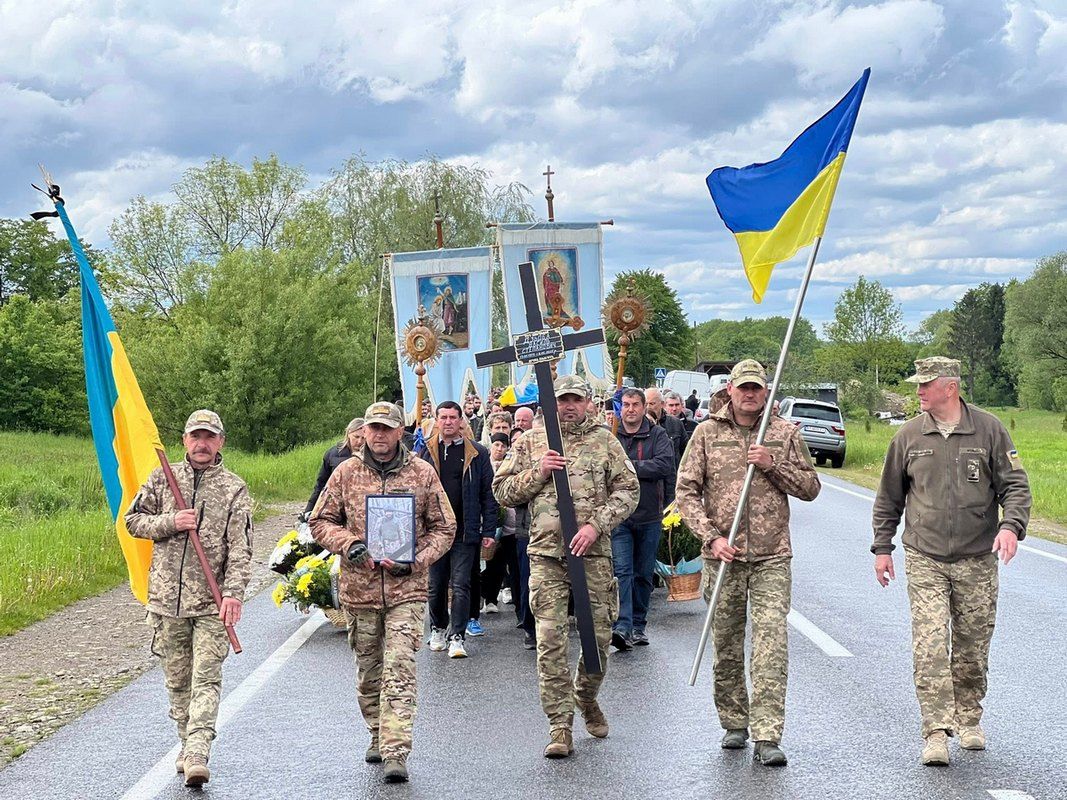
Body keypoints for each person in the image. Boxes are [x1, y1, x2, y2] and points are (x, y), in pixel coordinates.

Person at [871, 357, 1031, 767]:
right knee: (929, 644)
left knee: (973, 644)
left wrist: (1011, 527)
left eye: (926, 384)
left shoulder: (989, 429)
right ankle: (935, 731)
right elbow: (888, 497)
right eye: (918, 384)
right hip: (925, 556)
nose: (919, 391)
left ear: (950, 388)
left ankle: (969, 718)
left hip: (978, 557)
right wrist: (882, 548)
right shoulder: (908, 436)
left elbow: (1015, 486)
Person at [674, 360, 820, 767]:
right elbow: (685, 492)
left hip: (772, 555)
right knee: (726, 643)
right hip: (723, 557)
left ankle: (768, 733)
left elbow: (811, 488)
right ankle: (734, 720)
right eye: (744, 388)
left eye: (757, 388)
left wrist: (775, 465)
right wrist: (711, 536)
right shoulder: (706, 432)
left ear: (765, 390)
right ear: (731, 390)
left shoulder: (784, 433)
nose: (750, 394)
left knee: (771, 643)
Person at [493, 374, 639, 758]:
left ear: (589, 401)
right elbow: (502, 490)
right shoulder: (530, 441)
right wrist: (538, 472)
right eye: (562, 400)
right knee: (551, 641)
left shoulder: (605, 441)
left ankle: (586, 696)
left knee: (600, 638)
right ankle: (560, 726)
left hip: (593, 555)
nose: (569, 406)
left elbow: (629, 490)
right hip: (546, 556)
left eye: (576, 399)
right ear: (552, 402)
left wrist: (597, 524)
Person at [310, 401, 454, 783]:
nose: (378, 434)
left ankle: (396, 749)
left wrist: (417, 559)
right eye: (373, 427)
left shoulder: (422, 473)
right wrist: (350, 544)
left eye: (386, 428)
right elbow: (320, 520)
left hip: (407, 590)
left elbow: (445, 527)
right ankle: (376, 731)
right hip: (361, 590)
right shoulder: (345, 473)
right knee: (370, 671)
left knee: (400, 668)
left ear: (399, 432)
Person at [125, 410, 253, 788]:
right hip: (166, 601)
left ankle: (198, 752)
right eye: (196, 436)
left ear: (220, 443)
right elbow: (133, 521)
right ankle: (185, 743)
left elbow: (241, 548)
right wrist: (171, 522)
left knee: (206, 679)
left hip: (211, 603)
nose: (202, 444)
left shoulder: (234, 488)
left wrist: (233, 594)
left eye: (209, 437)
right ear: (184, 440)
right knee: (177, 682)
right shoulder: (163, 478)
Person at [420, 400, 498, 656]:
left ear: (461, 420)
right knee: (436, 584)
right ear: (436, 420)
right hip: (434, 530)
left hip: (465, 529)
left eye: (453, 417)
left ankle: (457, 635)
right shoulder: (425, 452)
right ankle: (438, 628)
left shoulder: (477, 453)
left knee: (463, 583)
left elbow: (488, 493)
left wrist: (488, 531)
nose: (449, 422)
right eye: (443, 417)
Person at [611, 388, 675, 650]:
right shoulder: (612, 436)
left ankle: (638, 624)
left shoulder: (657, 435)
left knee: (643, 573)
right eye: (626, 405)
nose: (630, 409)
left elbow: (663, 465)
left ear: (643, 407)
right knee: (622, 571)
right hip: (618, 516)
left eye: (635, 404)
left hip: (648, 514)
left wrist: (628, 467)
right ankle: (622, 625)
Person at [302, 418, 364, 521]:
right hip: (335, 506)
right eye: (356, 437)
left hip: (359, 509)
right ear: (348, 433)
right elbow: (321, 485)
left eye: (363, 438)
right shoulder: (333, 454)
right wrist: (309, 511)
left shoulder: (372, 457)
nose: (359, 442)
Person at [646, 387, 687, 470]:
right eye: (646, 404)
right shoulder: (638, 425)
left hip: (672, 475)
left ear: (662, 404)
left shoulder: (675, 424)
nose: (648, 407)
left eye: (652, 403)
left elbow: (686, 452)